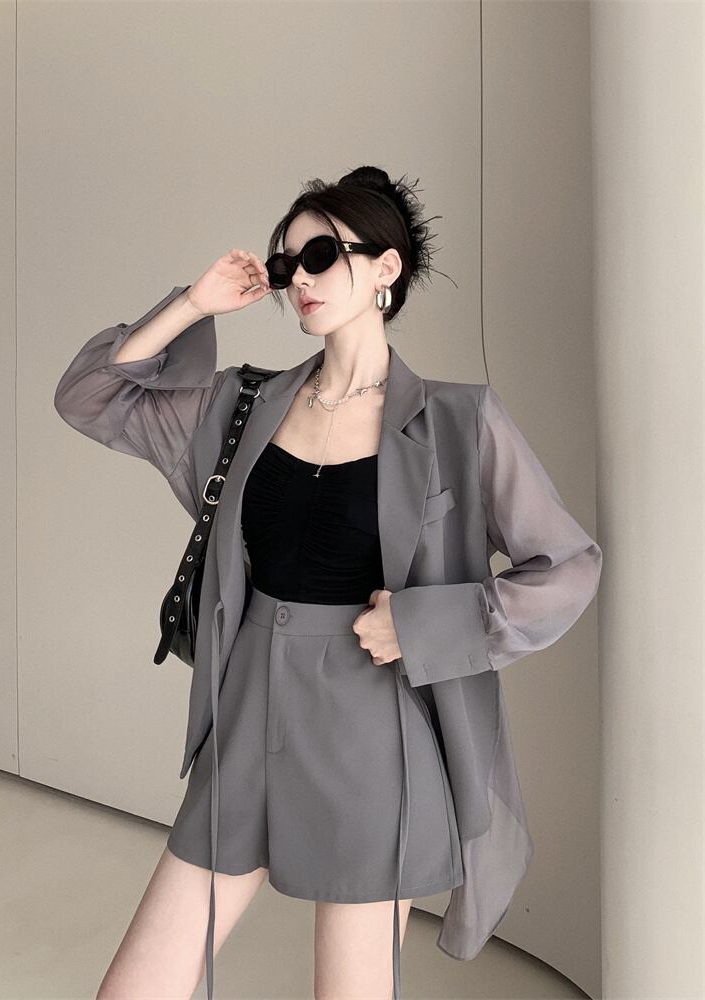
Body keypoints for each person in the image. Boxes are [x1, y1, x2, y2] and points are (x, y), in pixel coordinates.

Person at [54, 166, 603, 1000]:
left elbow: (566, 566)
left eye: (318, 255)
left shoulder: (456, 421)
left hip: (372, 730)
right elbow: (91, 396)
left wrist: (420, 624)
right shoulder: (243, 406)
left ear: (386, 267)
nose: (297, 279)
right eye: (285, 265)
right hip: (247, 708)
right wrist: (194, 304)